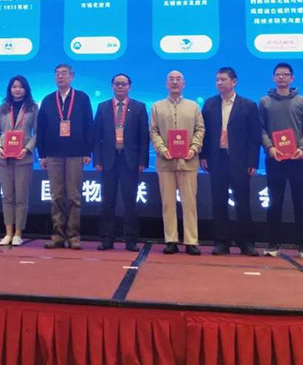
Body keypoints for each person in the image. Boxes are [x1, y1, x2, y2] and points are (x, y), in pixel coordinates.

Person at [200, 67, 261, 256]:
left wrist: (253, 162)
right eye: (217, 79)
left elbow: (254, 137)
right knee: (218, 202)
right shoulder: (209, 104)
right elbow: (204, 133)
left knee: (242, 202)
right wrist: (203, 156)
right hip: (217, 159)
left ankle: (246, 242)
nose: (219, 83)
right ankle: (221, 242)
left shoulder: (248, 105)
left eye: (223, 79)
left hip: (240, 161)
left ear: (234, 82)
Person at [259, 62, 303, 259]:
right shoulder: (265, 102)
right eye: (278, 74)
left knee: (302, 203)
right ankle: (273, 244)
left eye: (285, 74)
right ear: (273, 78)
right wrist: (270, 147)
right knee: (275, 203)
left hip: (299, 159)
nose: (281, 77)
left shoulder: (302, 101)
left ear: (292, 78)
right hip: (275, 160)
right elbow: (261, 129)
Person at [36, 64, 93, 249]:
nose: (60, 77)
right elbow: (41, 128)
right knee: (56, 196)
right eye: (57, 74)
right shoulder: (47, 100)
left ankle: (73, 236)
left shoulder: (82, 98)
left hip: (76, 153)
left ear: (72, 76)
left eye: (64, 73)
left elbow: (88, 126)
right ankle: (58, 235)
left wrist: (87, 151)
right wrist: (42, 154)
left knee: (74, 197)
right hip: (53, 154)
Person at [150, 70, 205, 255]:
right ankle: (171, 240)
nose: (174, 82)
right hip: (165, 162)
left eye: (178, 79)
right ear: (166, 84)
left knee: (189, 203)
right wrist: (162, 149)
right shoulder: (157, 106)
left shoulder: (193, 106)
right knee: (168, 203)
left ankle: (191, 241)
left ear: (184, 84)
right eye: (171, 79)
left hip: (188, 161)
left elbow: (200, 129)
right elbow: (153, 131)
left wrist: (193, 149)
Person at [93, 73, 149, 252]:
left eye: (123, 84)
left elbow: (144, 137)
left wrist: (143, 160)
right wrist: (97, 159)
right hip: (108, 160)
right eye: (117, 84)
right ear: (112, 86)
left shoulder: (139, 107)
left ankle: (131, 239)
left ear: (129, 87)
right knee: (107, 201)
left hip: (129, 160)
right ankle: (106, 238)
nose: (120, 87)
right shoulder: (103, 107)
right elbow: (97, 136)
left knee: (130, 201)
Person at [0, 75, 38, 246]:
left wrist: (27, 148)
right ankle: (8, 232)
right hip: (4, 157)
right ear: (10, 89)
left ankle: (18, 233)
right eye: (14, 87)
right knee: (7, 196)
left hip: (23, 157)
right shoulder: (4, 107)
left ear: (26, 89)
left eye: (20, 86)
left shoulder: (33, 108)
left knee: (21, 197)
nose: (17, 89)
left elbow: (37, 132)